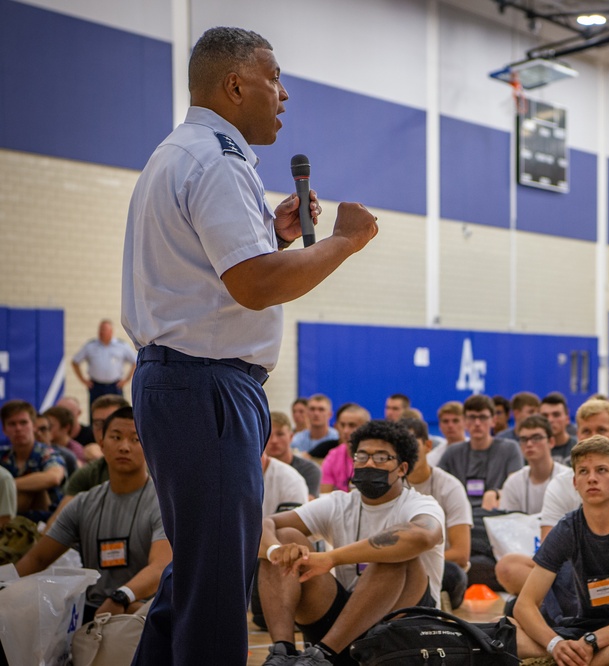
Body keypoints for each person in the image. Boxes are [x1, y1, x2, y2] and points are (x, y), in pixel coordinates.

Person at [121, 26, 378, 665]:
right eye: (273, 79)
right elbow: (256, 285)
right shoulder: (218, 158)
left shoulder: (179, 153)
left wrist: (275, 237)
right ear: (235, 84)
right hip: (203, 384)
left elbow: (222, 281)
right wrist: (340, 241)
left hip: (186, 380)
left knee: (198, 578)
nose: (284, 95)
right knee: (213, 589)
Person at [257, 420, 444, 666]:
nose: (368, 463)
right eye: (362, 456)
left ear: (402, 468)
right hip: (347, 628)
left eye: (380, 458)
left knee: (395, 554)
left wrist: (332, 558)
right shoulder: (339, 503)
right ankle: (283, 652)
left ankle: (323, 655)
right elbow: (264, 524)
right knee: (286, 537)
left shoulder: (421, 504)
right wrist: (275, 550)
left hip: (403, 632)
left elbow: (422, 536)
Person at [512, 435, 609, 666]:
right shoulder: (568, 527)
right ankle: (565, 658)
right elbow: (525, 604)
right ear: (575, 482)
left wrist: (591, 642)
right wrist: (555, 644)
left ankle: (581, 662)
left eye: (602, 470)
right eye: (584, 472)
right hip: (582, 630)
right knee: (505, 627)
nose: (592, 479)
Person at [15, 407, 171, 623]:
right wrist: (7, 584)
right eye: (116, 437)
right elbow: (38, 558)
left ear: (149, 446)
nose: (124, 447)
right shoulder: (83, 503)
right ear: (102, 444)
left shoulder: (163, 503)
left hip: (143, 611)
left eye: (136, 439)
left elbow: (160, 566)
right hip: (94, 613)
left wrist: (122, 596)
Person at [495, 399, 609, 596]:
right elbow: (549, 553)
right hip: (574, 574)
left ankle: (558, 610)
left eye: (601, 429)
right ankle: (564, 608)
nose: (594, 438)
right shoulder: (560, 483)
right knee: (508, 566)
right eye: (586, 431)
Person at [399, 417, 472, 609]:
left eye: (411, 444)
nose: (405, 452)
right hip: (397, 566)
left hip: (439, 565)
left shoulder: (450, 486)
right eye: (399, 446)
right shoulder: (389, 485)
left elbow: (461, 553)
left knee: (454, 574)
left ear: (428, 445)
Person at [438, 394, 523, 510]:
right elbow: (436, 486)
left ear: (493, 420)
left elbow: (517, 487)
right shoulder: (452, 452)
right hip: (460, 514)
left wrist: (497, 493)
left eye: (483, 417)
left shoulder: (510, 448)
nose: (477, 423)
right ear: (465, 422)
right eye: (472, 417)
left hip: (496, 514)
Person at [0, 400, 65, 520]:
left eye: (23, 422)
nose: (18, 428)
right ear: (4, 429)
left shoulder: (47, 453)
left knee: (34, 488)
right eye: (12, 424)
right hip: (11, 518)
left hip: (48, 521)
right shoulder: (3, 455)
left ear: (34, 426)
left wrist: (8, 485)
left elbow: (54, 477)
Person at [499, 415, 572, 515]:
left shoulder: (568, 478)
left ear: (551, 442)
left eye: (536, 438)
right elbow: (509, 524)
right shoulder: (513, 483)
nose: (529, 444)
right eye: (524, 439)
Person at [71, 319, 137, 414]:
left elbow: (135, 361)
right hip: (96, 386)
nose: (101, 332)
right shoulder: (90, 346)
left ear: (111, 332)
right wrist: (83, 380)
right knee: (95, 412)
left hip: (115, 386)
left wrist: (126, 380)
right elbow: (75, 362)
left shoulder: (122, 346)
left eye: (104, 330)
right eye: (100, 330)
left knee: (118, 412)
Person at [265, 412, 321, 499]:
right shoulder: (253, 471)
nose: (274, 440)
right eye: (268, 435)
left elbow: (307, 506)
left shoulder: (310, 470)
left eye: (280, 434)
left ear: (291, 436)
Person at [319, 404, 372, 493]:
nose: (345, 431)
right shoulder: (333, 455)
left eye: (352, 425)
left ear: (365, 428)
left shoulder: (375, 457)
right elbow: (325, 494)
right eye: (342, 425)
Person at [540, 392, 577, 464]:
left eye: (556, 415)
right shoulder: (532, 449)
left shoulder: (579, 447)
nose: (550, 420)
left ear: (567, 419)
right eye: (545, 416)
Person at [427, 401, 465, 467]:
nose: (450, 425)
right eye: (445, 421)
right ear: (439, 425)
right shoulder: (432, 457)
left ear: (465, 423)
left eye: (455, 421)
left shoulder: (477, 449)